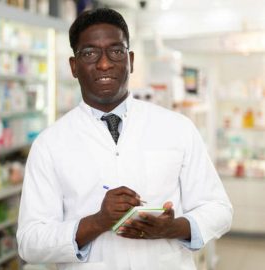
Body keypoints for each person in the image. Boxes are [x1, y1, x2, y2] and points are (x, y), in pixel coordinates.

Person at [17, 8, 232, 270]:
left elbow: (219, 209)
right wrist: (97, 222)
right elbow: (30, 242)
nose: (104, 63)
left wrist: (172, 227)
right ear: (74, 66)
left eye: (116, 51)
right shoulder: (49, 144)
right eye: (89, 53)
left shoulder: (177, 128)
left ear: (130, 60)